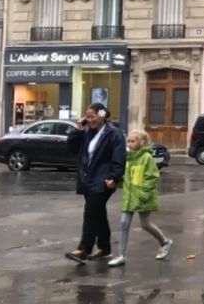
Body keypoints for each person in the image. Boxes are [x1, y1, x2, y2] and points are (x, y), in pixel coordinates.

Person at [64, 102, 126, 263]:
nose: (89, 119)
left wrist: (115, 177)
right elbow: (71, 147)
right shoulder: (88, 133)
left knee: (91, 213)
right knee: (98, 213)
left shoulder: (114, 134)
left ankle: (84, 249)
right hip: (88, 179)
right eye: (88, 116)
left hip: (104, 180)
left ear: (102, 115)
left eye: (92, 116)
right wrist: (78, 129)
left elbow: (119, 158)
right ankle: (105, 249)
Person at [108, 130, 172, 267]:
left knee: (145, 224)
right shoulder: (129, 157)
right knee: (124, 223)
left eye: (133, 141)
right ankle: (121, 255)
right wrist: (116, 182)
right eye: (128, 141)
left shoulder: (147, 158)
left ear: (142, 143)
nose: (129, 144)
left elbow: (152, 177)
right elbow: (126, 176)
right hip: (129, 196)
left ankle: (165, 241)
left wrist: (144, 194)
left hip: (143, 197)